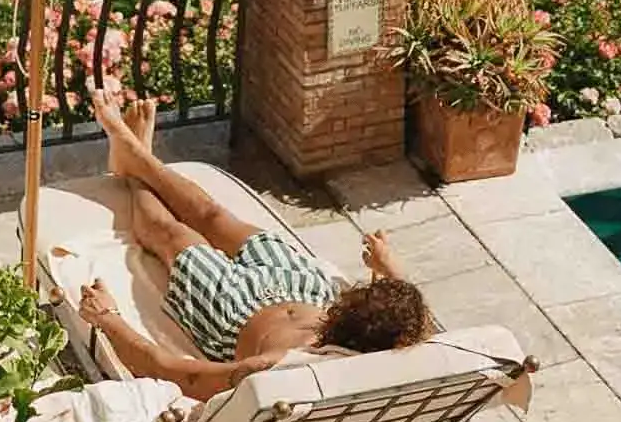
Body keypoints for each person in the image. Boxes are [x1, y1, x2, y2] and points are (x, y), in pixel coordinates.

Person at [72, 87, 434, 401]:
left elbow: (176, 372)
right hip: (302, 286)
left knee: (170, 233)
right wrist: (389, 268)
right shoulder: (392, 344)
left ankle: (134, 164)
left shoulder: (283, 368)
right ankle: (136, 156)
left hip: (231, 310)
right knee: (213, 215)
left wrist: (107, 318)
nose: (353, 291)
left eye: (356, 298)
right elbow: (418, 321)